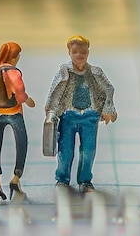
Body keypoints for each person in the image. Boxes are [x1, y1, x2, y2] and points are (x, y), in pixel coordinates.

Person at [45, 35, 117, 194]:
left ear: (88, 52)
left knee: (88, 151)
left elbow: (109, 89)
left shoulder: (96, 72)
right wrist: (51, 110)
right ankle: (62, 180)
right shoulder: (64, 72)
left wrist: (108, 108)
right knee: (66, 151)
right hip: (68, 115)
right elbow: (55, 91)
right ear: (69, 52)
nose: (79, 55)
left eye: (83, 51)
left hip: (90, 116)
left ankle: (85, 181)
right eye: (75, 51)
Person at [0, 41, 35, 204]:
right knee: (22, 143)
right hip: (14, 113)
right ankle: (16, 178)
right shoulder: (13, 72)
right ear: (14, 57)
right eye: (18, 55)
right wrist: (29, 101)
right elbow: (20, 93)